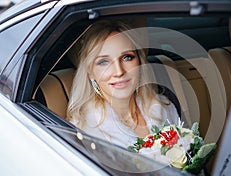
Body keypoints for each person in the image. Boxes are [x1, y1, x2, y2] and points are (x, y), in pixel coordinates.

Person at [67, 20, 179, 149]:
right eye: (104, 62)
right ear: (90, 72)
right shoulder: (84, 129)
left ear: (139, 62)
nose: (119, 72)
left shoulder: (163, 107)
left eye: (127, 57)